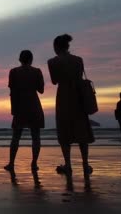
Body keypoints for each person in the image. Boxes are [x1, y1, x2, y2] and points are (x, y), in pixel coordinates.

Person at [47, 34, 94, 179]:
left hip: (63, 96)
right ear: (67, 46)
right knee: (81, 131)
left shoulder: (52, 62)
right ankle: (85, 164)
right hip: (79, 96)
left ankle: (68, 164)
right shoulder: (79, 60)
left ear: (56, 47)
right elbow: (79, 76)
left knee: (64, 130)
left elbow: (54, 81)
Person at [4, 50, 45, 172]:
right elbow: (41, 90)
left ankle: (11, 163)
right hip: (34, 105)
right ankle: (34, 163)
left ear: (20, 59)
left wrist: (13, 110)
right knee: (36, 136)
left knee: (16, 136)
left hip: (20, 106)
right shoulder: (37, 71)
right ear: (31, 59)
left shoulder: (14, 72)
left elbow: (12, 92)